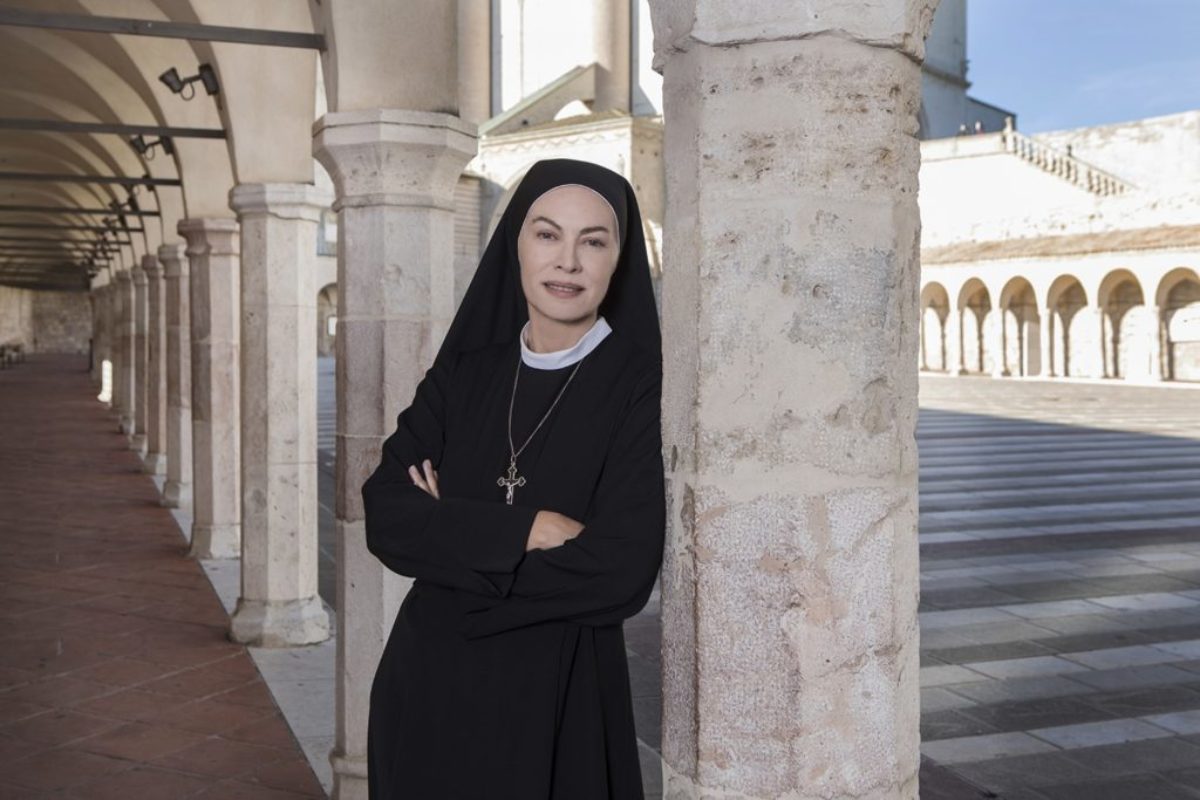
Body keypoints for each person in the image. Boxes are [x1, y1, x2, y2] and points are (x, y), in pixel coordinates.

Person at [361, 158, 665, 799]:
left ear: (618, 260)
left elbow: (621, 571)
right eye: (547, 234)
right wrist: (531, 529)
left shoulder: (640, 386)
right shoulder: (464, 373)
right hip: (428, 690)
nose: (568, 262)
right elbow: (386, 514)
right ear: (516, 245)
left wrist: (447, 541)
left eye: (593, 242)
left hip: (560, 699)